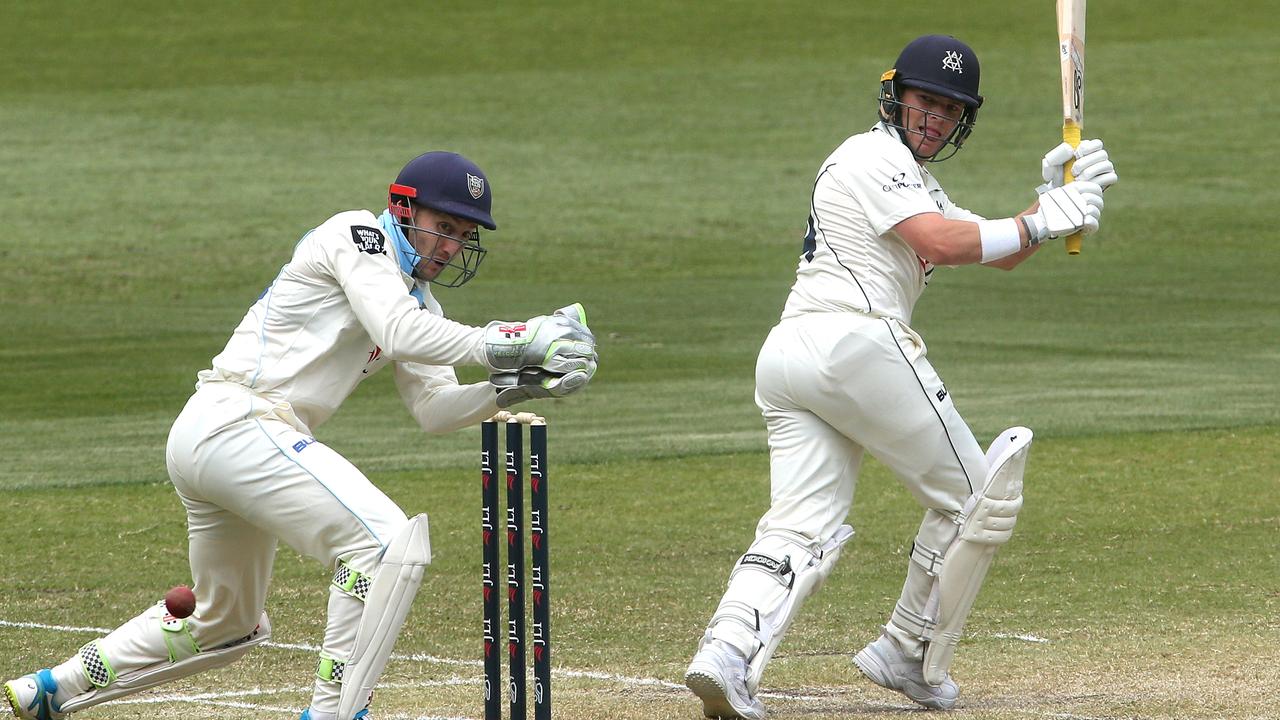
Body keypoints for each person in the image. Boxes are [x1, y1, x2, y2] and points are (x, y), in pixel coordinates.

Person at [4, 151, 598, 720]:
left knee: (228, 622)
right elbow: (399, 332)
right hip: (239, 420)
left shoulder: (420, 304)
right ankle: (334, 712)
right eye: (443, 226)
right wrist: (514, 336)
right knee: (384, 544)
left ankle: (51, 690)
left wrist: (521, 384)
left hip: (228, 440)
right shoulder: (356, 235)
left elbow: (436, 410)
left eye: (464, 235)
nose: (450, 246)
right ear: (402, 210)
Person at [683, 34, 1118, 717]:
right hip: (852, 343)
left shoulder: (916, 180)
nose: (935, 120)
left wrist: (1050, 204)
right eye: (925, 102)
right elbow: (943, 243)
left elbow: (995, 250)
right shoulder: (870, 155)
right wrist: (1041, 221)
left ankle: (727, 653)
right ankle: (907, 650)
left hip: (794, 357)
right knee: (979, 498)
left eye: (950, 110)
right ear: (895, 96)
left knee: (799, 525)